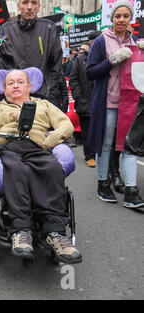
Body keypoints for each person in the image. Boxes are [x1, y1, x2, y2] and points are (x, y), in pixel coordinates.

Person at [0, 69, 82, 264]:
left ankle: (55, 233)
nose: (16, 85)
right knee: (16, 170)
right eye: (10, 83)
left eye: (20, 82)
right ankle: (21, 229)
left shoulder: (43, 104)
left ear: (30, 86)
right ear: (3, 89)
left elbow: (66, 125)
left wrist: (51, 140)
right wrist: (13, 117)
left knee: (52, 168)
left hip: (39, 147)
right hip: (9, 147)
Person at [86, 0, 144, 208]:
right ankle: (104, 184)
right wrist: (112, 60)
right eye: (117, 16)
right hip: (108, 103)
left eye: (125, 16)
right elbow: (90, 72)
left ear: (131, 19)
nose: (121, 20)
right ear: (112, 18)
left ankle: (131, 191)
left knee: (130, 146)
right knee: (107, 144)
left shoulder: (136, 40)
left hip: (130, 104)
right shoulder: (102, 41)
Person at [0, 0, 63, 107]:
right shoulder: (6, 30)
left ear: (39, 6)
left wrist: (49, 94)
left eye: (34, 3)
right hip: (13, 100)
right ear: (18, 6)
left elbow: (56, 66)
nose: (30, 7)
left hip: (42, 98)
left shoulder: (48, 28)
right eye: (25, 3)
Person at [69, 41, 95, 167]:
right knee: (87, 130)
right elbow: (73, 79)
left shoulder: (105, 56)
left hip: (101, 101)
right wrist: (78, 96)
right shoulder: (80, 60)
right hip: (85, 101)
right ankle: (89, 156)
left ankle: (100, 156)